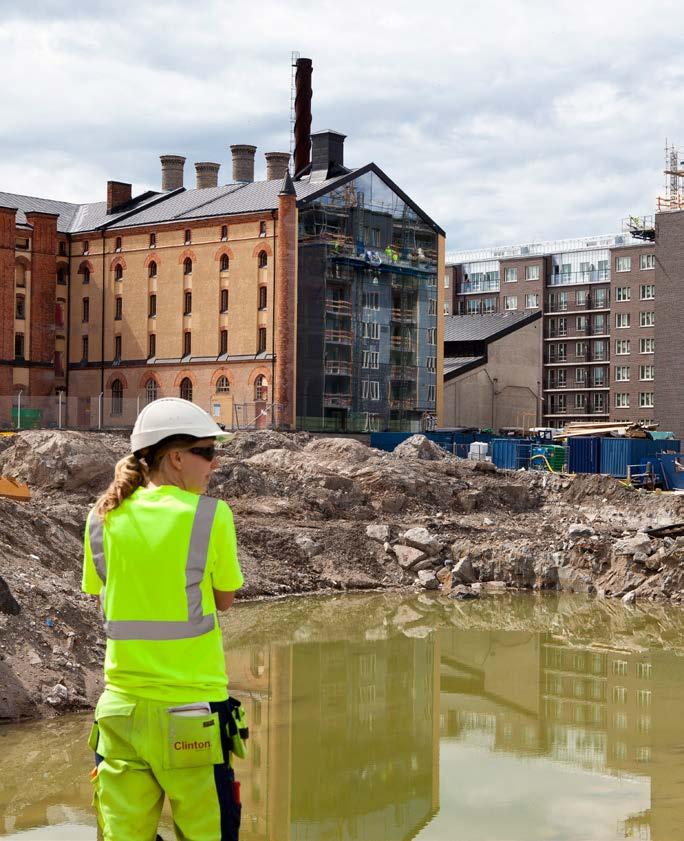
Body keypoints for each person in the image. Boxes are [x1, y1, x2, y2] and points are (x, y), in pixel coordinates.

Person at [82, 397, 244, 841]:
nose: (214, 464)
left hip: (121, 714)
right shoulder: (211, 515)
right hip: (191, 713)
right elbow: (224, 599)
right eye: (207, 452)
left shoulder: (101, 519)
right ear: (175, 457)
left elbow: (107, 602)